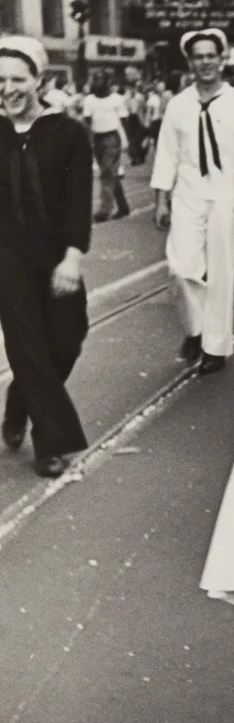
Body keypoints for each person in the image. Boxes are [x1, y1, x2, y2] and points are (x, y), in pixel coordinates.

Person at [0, 37, 93, 478]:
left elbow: (78, 200)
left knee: (66, 339)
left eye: (17, 78)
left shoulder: (68, 134)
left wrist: (72, 258)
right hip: (7, 255)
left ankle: (19, 401)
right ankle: (50, 444)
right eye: (0, 80)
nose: (8, 88)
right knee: (28, 344)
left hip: (56, 252)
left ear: (39, 80)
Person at [150, 29, 234, 374]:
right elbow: (167, 154)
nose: (206, 62)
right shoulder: (178, 105)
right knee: (181, 267)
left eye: (211, 55)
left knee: (222, 270)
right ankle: (195, 330)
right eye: (199, 56)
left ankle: (215, 347)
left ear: (221, 59)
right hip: (188, 193)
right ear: (190, 62)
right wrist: (161, 200)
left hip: (227, 195)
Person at [82, 73, 130, 222]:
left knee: (107, 173)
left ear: (108, 82)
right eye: (96, 79)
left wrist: (124, 140)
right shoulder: (89, 100)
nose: (98, 83)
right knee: (110, 174)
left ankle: (104, 210)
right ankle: (123, 206)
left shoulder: (116, 99)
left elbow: (124, 120)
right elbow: (87, 121)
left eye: (101, 79)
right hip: (97, 138)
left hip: (112, 138)